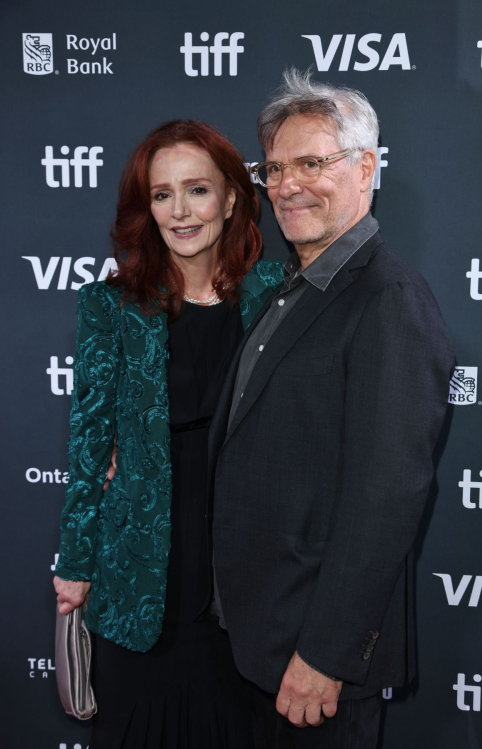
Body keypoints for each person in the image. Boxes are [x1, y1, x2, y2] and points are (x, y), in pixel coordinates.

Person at [209, 69, 455, 748]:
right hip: (257, 640)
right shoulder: (296, 287)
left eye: (312, 162)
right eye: (276, 168)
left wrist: (327, 655)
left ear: (367, 168)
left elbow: (386, 499)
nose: (286, 185)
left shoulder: (388, 300)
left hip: (313, 661)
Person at [52, 119, 283, 749]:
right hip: (138, 574)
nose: (179, 211)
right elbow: (89, 444)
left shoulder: (277, 295)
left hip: (243, 579)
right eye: (161, 195)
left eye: (197, 190)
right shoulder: (110, 306)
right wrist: (75, 564)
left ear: (231, 197)